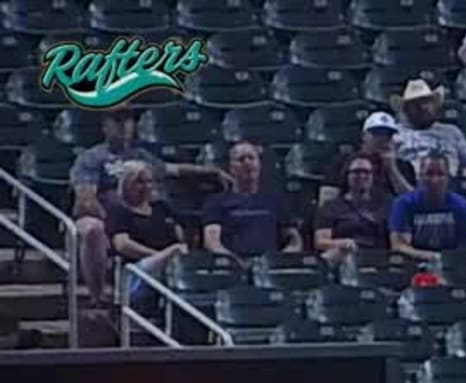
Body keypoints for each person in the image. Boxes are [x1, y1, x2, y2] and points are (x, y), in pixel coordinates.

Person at [69, 109, 215, 302]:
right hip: (104, 215)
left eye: (128, 120)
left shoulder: (141, 155)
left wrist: (211, 172)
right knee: (92, 228)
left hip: (139, 212)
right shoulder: (92, 158)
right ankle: (97, 297)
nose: (123, 125)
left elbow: (173, 170)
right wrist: (112, 220)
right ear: (105, 126)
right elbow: (86, 199)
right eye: (117, 120)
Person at [200, 142, 301, 260]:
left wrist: (283, 257)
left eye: (251, 158)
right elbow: (212, 242)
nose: (247, 163)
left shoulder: (275, 200)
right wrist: (234, 261)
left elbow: (294, 239)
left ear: (259, 164)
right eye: (241, 159)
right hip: (234, 264)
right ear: (231, 168)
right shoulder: (216, 202)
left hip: (269, 265)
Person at [103, 161, 188, 299]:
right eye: (139, 182)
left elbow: (182, 232)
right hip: (136, 270)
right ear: (126, 184)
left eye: (149, 182)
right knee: (177, 250)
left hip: (168, 266)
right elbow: (122, 245)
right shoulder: (119, 211)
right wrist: (158, 256)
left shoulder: (162, 208)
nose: (146, 187)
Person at [389, 152, 466, 257]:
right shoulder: (404, 204)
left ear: (448, 179)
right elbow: (398, 245)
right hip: (414, 265)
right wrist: (431, 257)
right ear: (420, 177)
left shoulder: (462, 206)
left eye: (440, 174)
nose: (435, 180)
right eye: (429, 174)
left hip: (452, 267)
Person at [390, 79, 466, 178]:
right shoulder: (395, 133)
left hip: (450, 185)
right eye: (416, 104)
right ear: (406, 109)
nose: (423, 107)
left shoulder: (451, 132)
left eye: (427, 102)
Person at [320, 112, 413, 206]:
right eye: (377, 134)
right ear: (364, 136)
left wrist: (392, 169)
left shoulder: (403, 166)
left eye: (388, 135)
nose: (382, 139)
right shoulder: (342, 161)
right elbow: (326, 203)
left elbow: (412, 202)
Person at [314, 154, 393, 259]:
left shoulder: (386, 204)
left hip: (379, 257)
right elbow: (320, 241)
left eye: (366, 172)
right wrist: (342, 243)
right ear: (347, 176)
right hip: (345, 255)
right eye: (356, 172)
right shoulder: (331, 207)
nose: (362, 176)